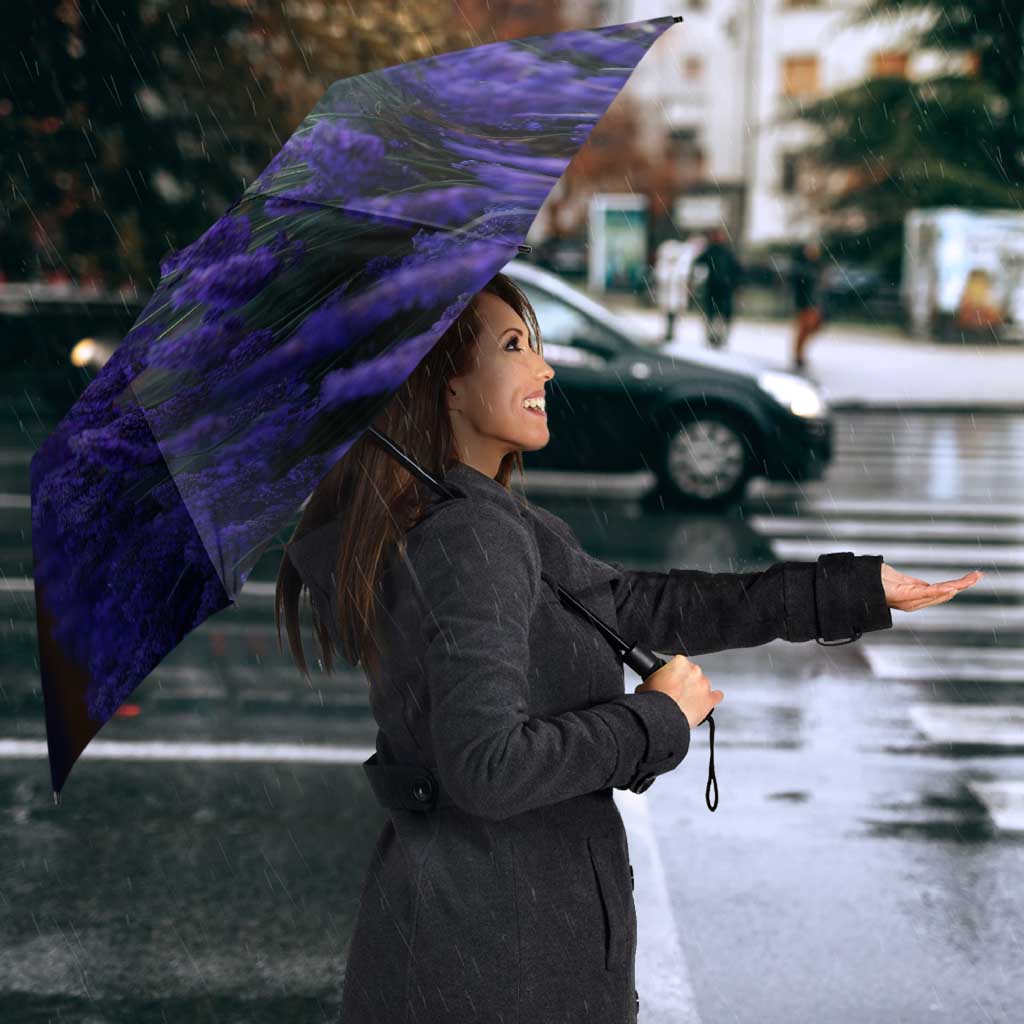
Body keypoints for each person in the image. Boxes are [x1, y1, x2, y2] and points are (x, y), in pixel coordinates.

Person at [276, 271, 978, 1024]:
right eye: (514, 346)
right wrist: (655, 719)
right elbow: (487, 768)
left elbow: (640, 605)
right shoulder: (469, 536)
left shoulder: (478, 517)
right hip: (498, 963)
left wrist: (850, 591)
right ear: (444, 386)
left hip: (480, 943)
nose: (544, 368)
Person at [692, 226, 742, 349]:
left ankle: (719, 337)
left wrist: (735, 284)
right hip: (715, 288)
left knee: (720, 315)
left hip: (723, 288)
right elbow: (698, 264)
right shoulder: (712, 251)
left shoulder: (725, 252)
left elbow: (736, 270)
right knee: (713, 314)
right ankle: (713, 337)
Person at [790, 239, 826, 370]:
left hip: (814, 303)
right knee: (804, 329)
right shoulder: (802, 267)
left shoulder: (817, 266)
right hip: (805, 303)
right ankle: (798, 355)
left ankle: (799, 354)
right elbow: (799, 286)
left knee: (812, 328)